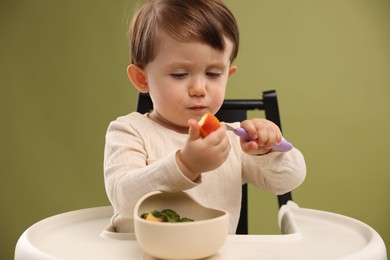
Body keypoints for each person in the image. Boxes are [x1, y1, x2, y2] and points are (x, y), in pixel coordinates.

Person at [104, 0, 306, 234]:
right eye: (180, 74)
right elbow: (123, 198)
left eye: (213, 73)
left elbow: (289, 180)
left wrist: (267, 152)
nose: (199, 88)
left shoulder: (232, 138)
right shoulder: (129, 131)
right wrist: (186, 165)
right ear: (142, 79)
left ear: (227, 76)